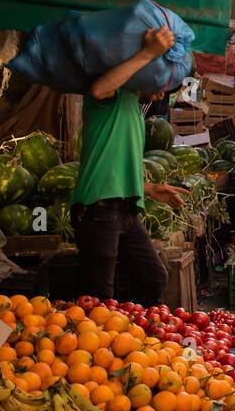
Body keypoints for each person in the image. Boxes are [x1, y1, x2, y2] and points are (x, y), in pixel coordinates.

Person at [71, 26, 187, 303]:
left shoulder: (133, 107)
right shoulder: (112, 95)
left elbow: (114, 163)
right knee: (98, 298)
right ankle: (97, 341)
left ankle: (135, 340)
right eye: (159, 84)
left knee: (154, 276)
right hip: (98, 210)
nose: (161, 94)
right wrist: (149, 52)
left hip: (123, 210)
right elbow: (99, 88)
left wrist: (148, 188)